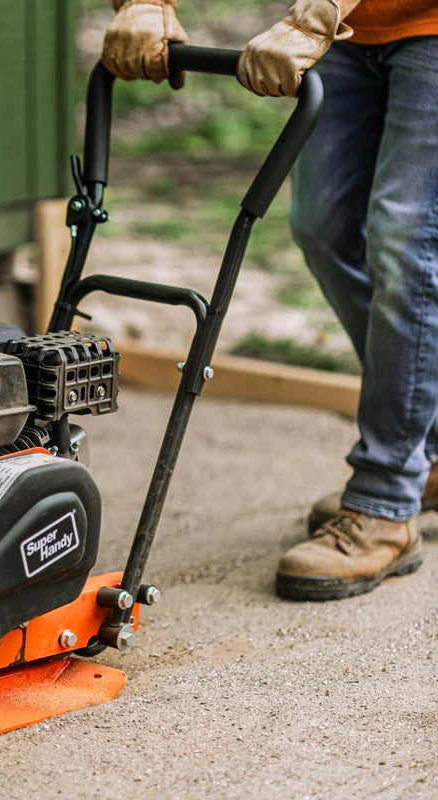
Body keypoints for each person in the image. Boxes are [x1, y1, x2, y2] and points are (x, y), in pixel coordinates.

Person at [101, 0, 438, 600]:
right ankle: (427, 446)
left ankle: (386, 499)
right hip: (358, 32)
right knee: (323, 227)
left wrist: (317, 14)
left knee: (405, 241)